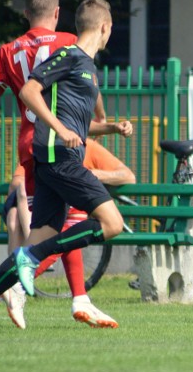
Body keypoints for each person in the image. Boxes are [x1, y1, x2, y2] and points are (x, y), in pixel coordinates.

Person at [0, 0, 127, 328]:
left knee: (43, 236)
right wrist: (62, 131)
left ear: (26, 12)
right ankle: (69, 289)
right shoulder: (68, 48)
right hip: (55, 150)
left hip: (38, 151)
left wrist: (109, 128)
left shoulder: (21, 52)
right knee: (111, 224)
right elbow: (35, 92)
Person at [33, 137, 136, 328]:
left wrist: (94, 174)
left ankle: (78, 298)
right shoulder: (46, 144)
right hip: (45, 209)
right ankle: (78, 298)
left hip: (70, 213)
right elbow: (21, 178)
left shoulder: (90, 147)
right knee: (67, 236)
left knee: (70, 235)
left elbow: (128, 176)